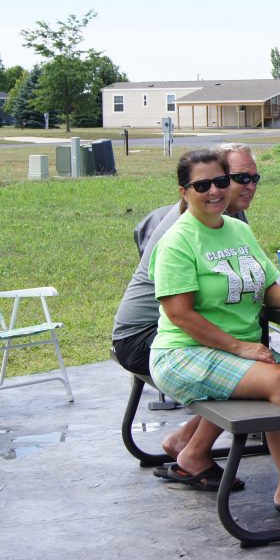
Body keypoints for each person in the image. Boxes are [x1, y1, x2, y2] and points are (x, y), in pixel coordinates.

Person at [149, 149, 280, 530]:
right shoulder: (178, 241)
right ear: (184, 191)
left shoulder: (238, 229)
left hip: (240, 353)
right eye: (202, 185)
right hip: (184, 353)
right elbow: (180, 314)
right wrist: (240, 347)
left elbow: (268, 286)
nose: (214, 191)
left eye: (221, 181)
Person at [112, 143, 261, 487]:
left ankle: (186, 441)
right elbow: (184, 313)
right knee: (246, 358)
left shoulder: (228, 218)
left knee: (248, 345)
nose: (248, 185)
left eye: (254, 177)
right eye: (238, 178)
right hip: (144, 337)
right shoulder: (186, 227)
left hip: (157, 329)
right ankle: (194, 452)